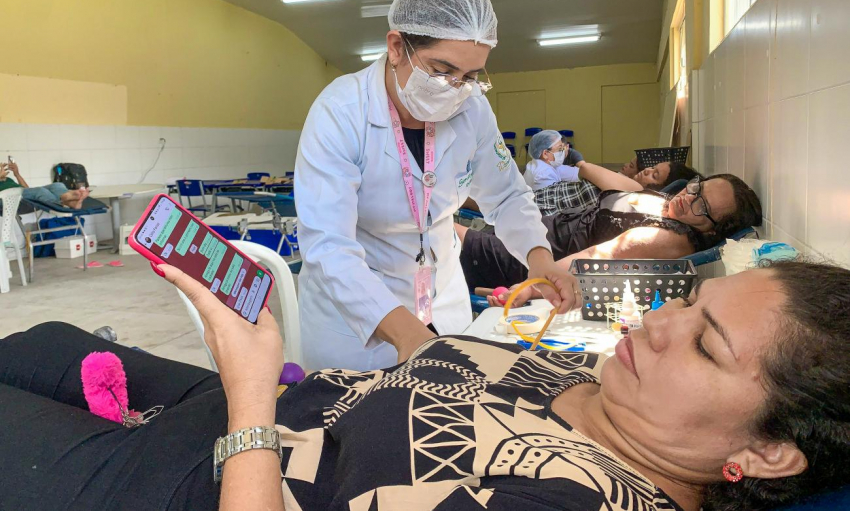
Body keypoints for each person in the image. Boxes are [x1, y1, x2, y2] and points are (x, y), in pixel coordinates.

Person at [2, 260, 849, 511]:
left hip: (210, 476)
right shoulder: (599, 378)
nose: (658, 320)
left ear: (768, 449)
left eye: (705, 342)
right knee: (36, 337)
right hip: (246, 409)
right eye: (690, 299)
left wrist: (253, 396)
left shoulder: (571, 502)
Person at [294, 0, 578, 371]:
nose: (456, 87)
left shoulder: (472, 108)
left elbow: (508, 194)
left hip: (443, 299)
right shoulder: (341, 112)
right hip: (359, 318)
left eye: (471, 76)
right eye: (442, 70)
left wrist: (539, 259)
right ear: (397, 47)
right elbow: (328, 246)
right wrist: (407, 333)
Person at [458, 174, 762, 296]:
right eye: (698, 186)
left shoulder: (669, 237)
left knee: (434, 235)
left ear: (712, 228)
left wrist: (529, 287)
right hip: (530, 233)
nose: (688, 195)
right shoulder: (670, 204)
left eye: (702, 204)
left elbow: (596, 258)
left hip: (526, 258)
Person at [534, 160, 702, 216]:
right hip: (544, 205)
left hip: (543, 205)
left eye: (655, 175)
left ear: (663, 189)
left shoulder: (635, 189)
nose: (647, 170)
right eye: (652, 168)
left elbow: (585, 169)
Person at [0, 161, 89, 209]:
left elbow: (27, 189)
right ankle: (62, 203)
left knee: (57, 185)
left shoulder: (8, 180)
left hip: (22, 194)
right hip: (8, 199)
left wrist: (17, 174)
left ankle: (67, 197)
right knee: (40, 191)